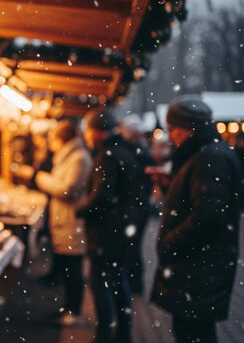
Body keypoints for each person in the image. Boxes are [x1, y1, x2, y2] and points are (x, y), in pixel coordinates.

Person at [150, 96, 242, 343]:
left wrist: (171, 242)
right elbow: (201, 201)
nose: (171, 137)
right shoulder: (207, 152)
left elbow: (208, 213)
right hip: (199, 267)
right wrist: (171, 185)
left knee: (193, 333)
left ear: (184, 128)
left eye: (172, 130)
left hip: (199, 267)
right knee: (192, 330)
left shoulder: (209, 156)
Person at [78, 109, 145, 343]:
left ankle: (105, 333)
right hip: (122, 228)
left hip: (107, 232)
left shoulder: (107, 155)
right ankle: (122, 332)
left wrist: (80, 209)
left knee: (102, 283)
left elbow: (103, 196)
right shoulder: (123, 150)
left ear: (97, 132)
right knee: (118, 280)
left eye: (88, 130)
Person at [34, 120, 92, 325]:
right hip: (66, 220)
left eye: (53, 139)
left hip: (71, 221)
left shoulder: (78, 158)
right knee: (69, 267)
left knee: (72, 269)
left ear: (63, 140)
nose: (51, 143)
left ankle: (73, 312)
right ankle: (69, 309)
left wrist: (42, 179)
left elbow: (68, 189)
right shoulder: (71, 157)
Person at [119, 115, 155, 294]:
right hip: (138, 206)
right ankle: (135, 285)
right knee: (133, 247)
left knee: (133, 247)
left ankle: (135, 286)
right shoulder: (140, 151)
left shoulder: (138, 152)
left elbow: (140, 182)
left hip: (137, 207)